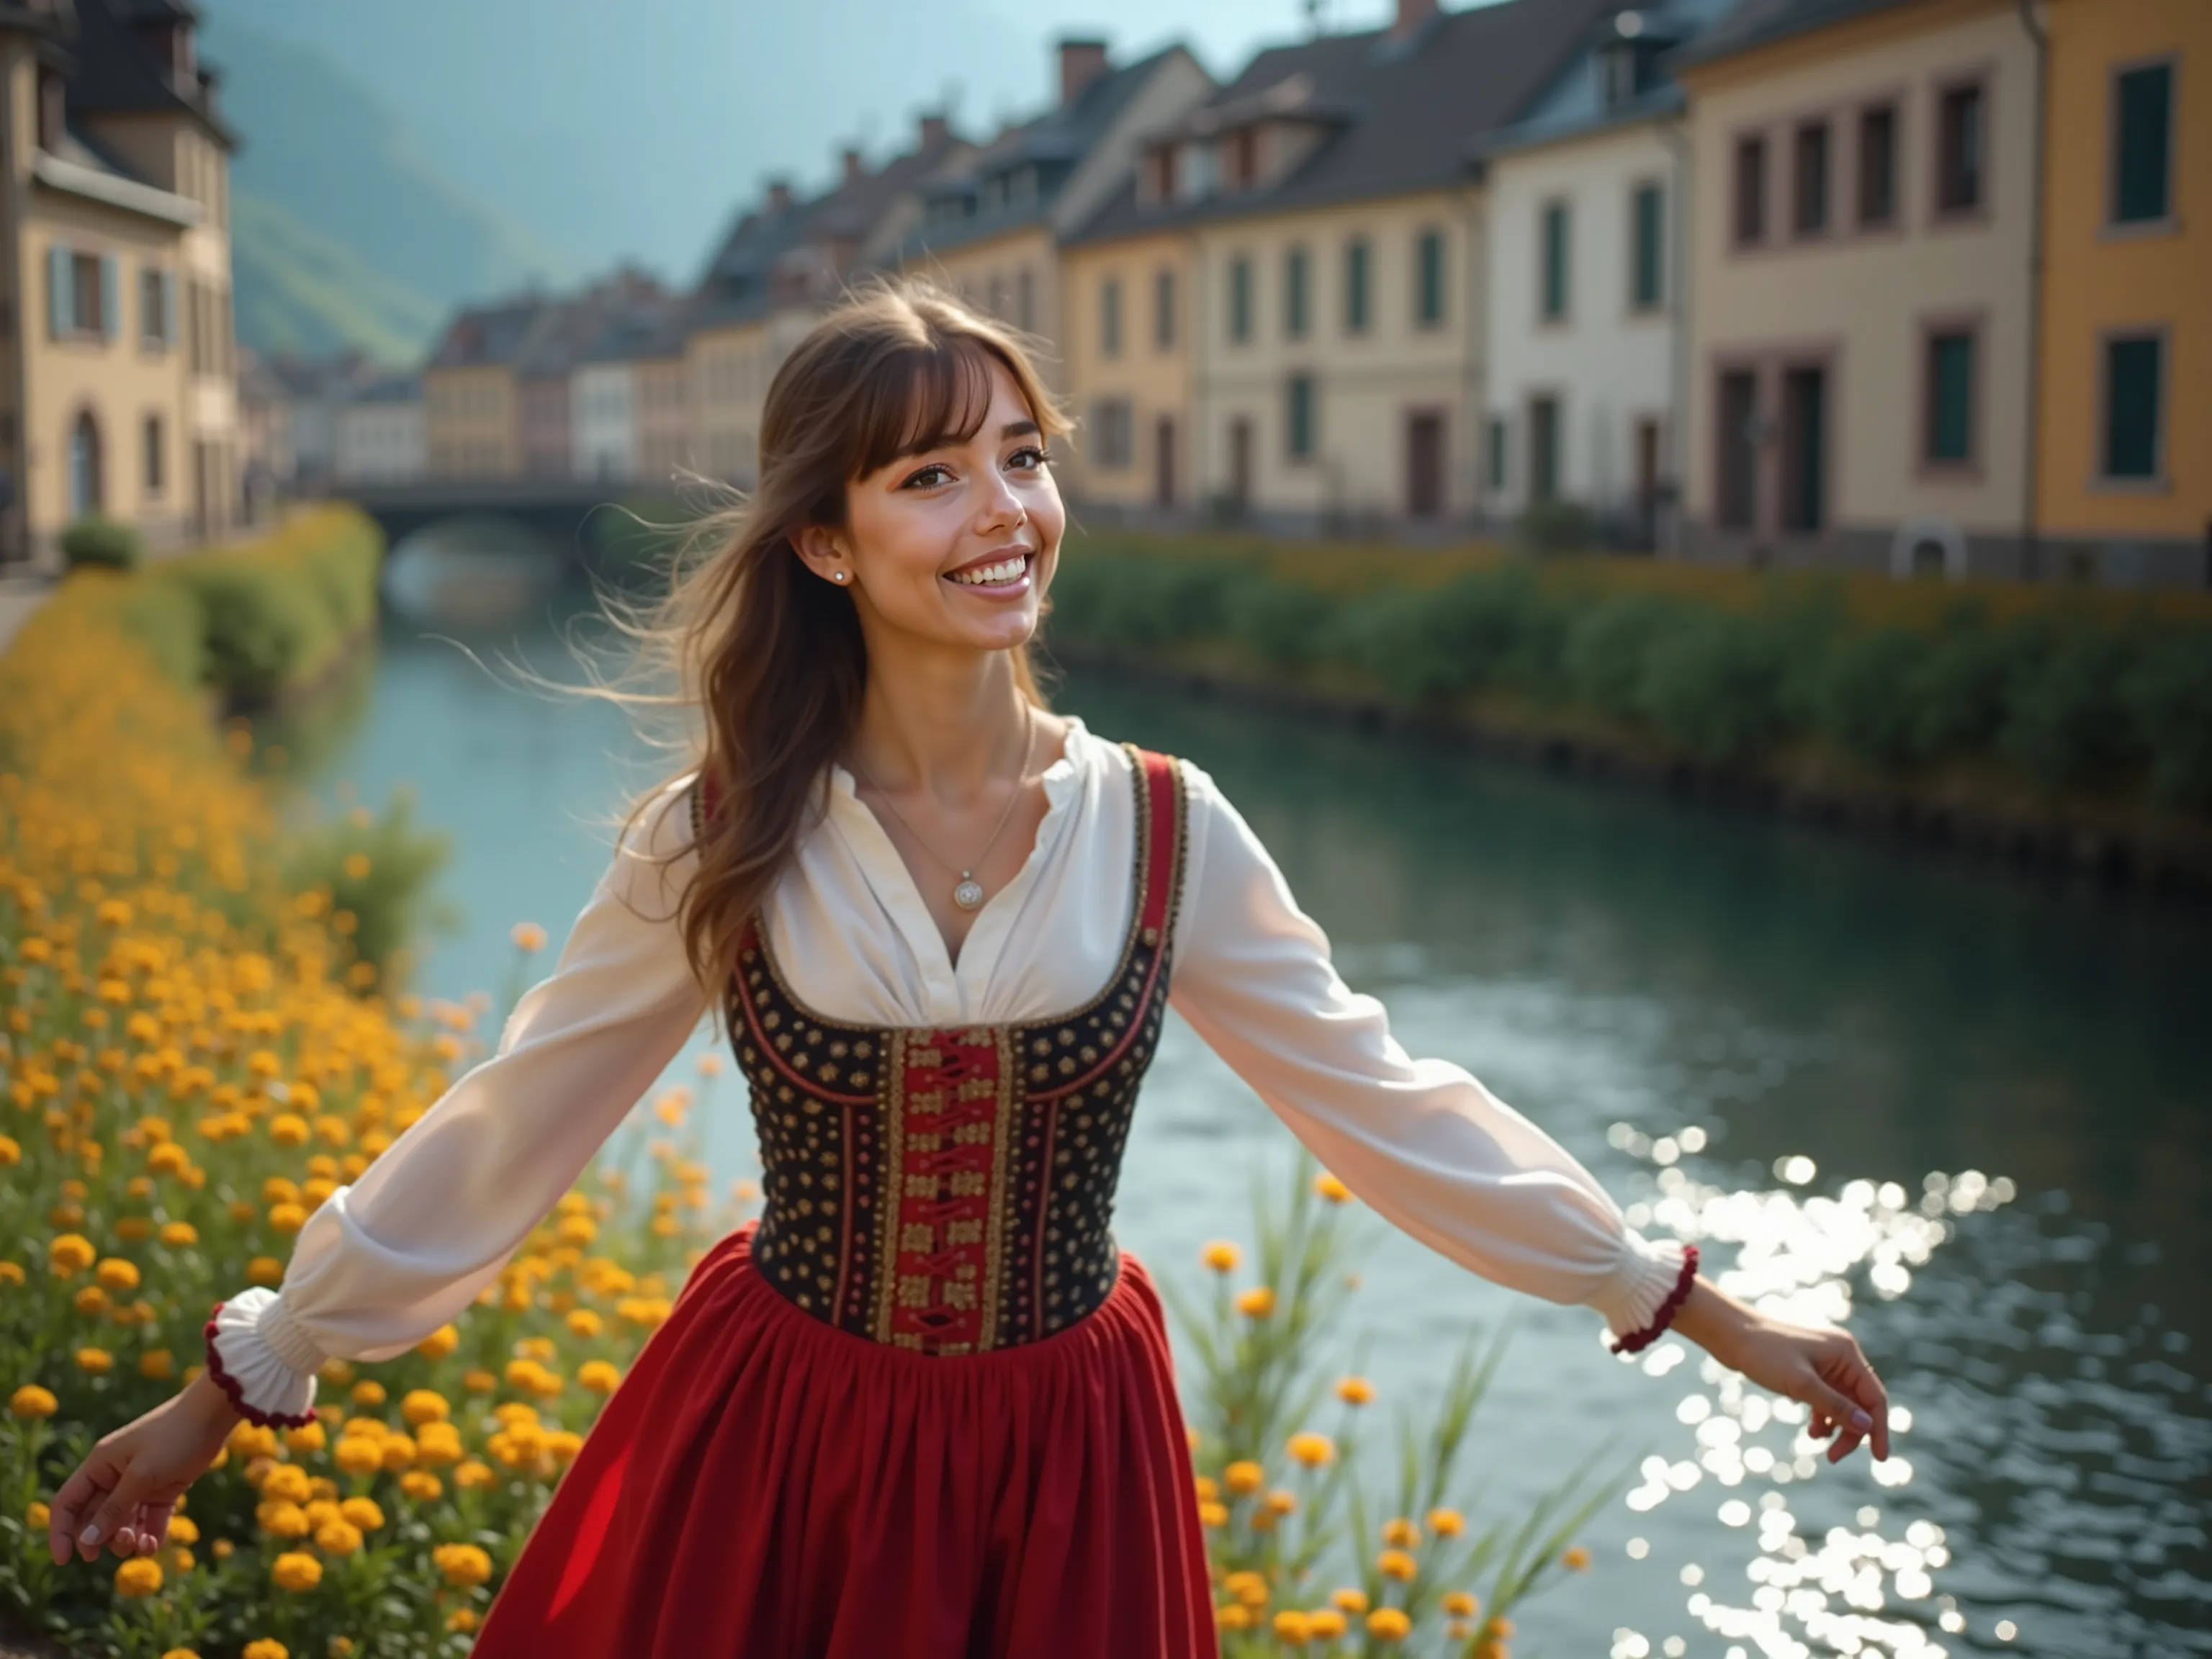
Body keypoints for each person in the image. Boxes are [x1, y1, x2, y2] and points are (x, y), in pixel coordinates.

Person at [48, 281, 1890, 1657]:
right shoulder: (724, 835)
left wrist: (1702, 1307)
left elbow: (1389, 1103)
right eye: (933, 475)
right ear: (827, 542)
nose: (1004, 509)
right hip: (783, 1442)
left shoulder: (1165, 826)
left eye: (1023, 456)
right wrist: (251, 1370)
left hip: (1065, 1462)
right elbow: (513, 1120)